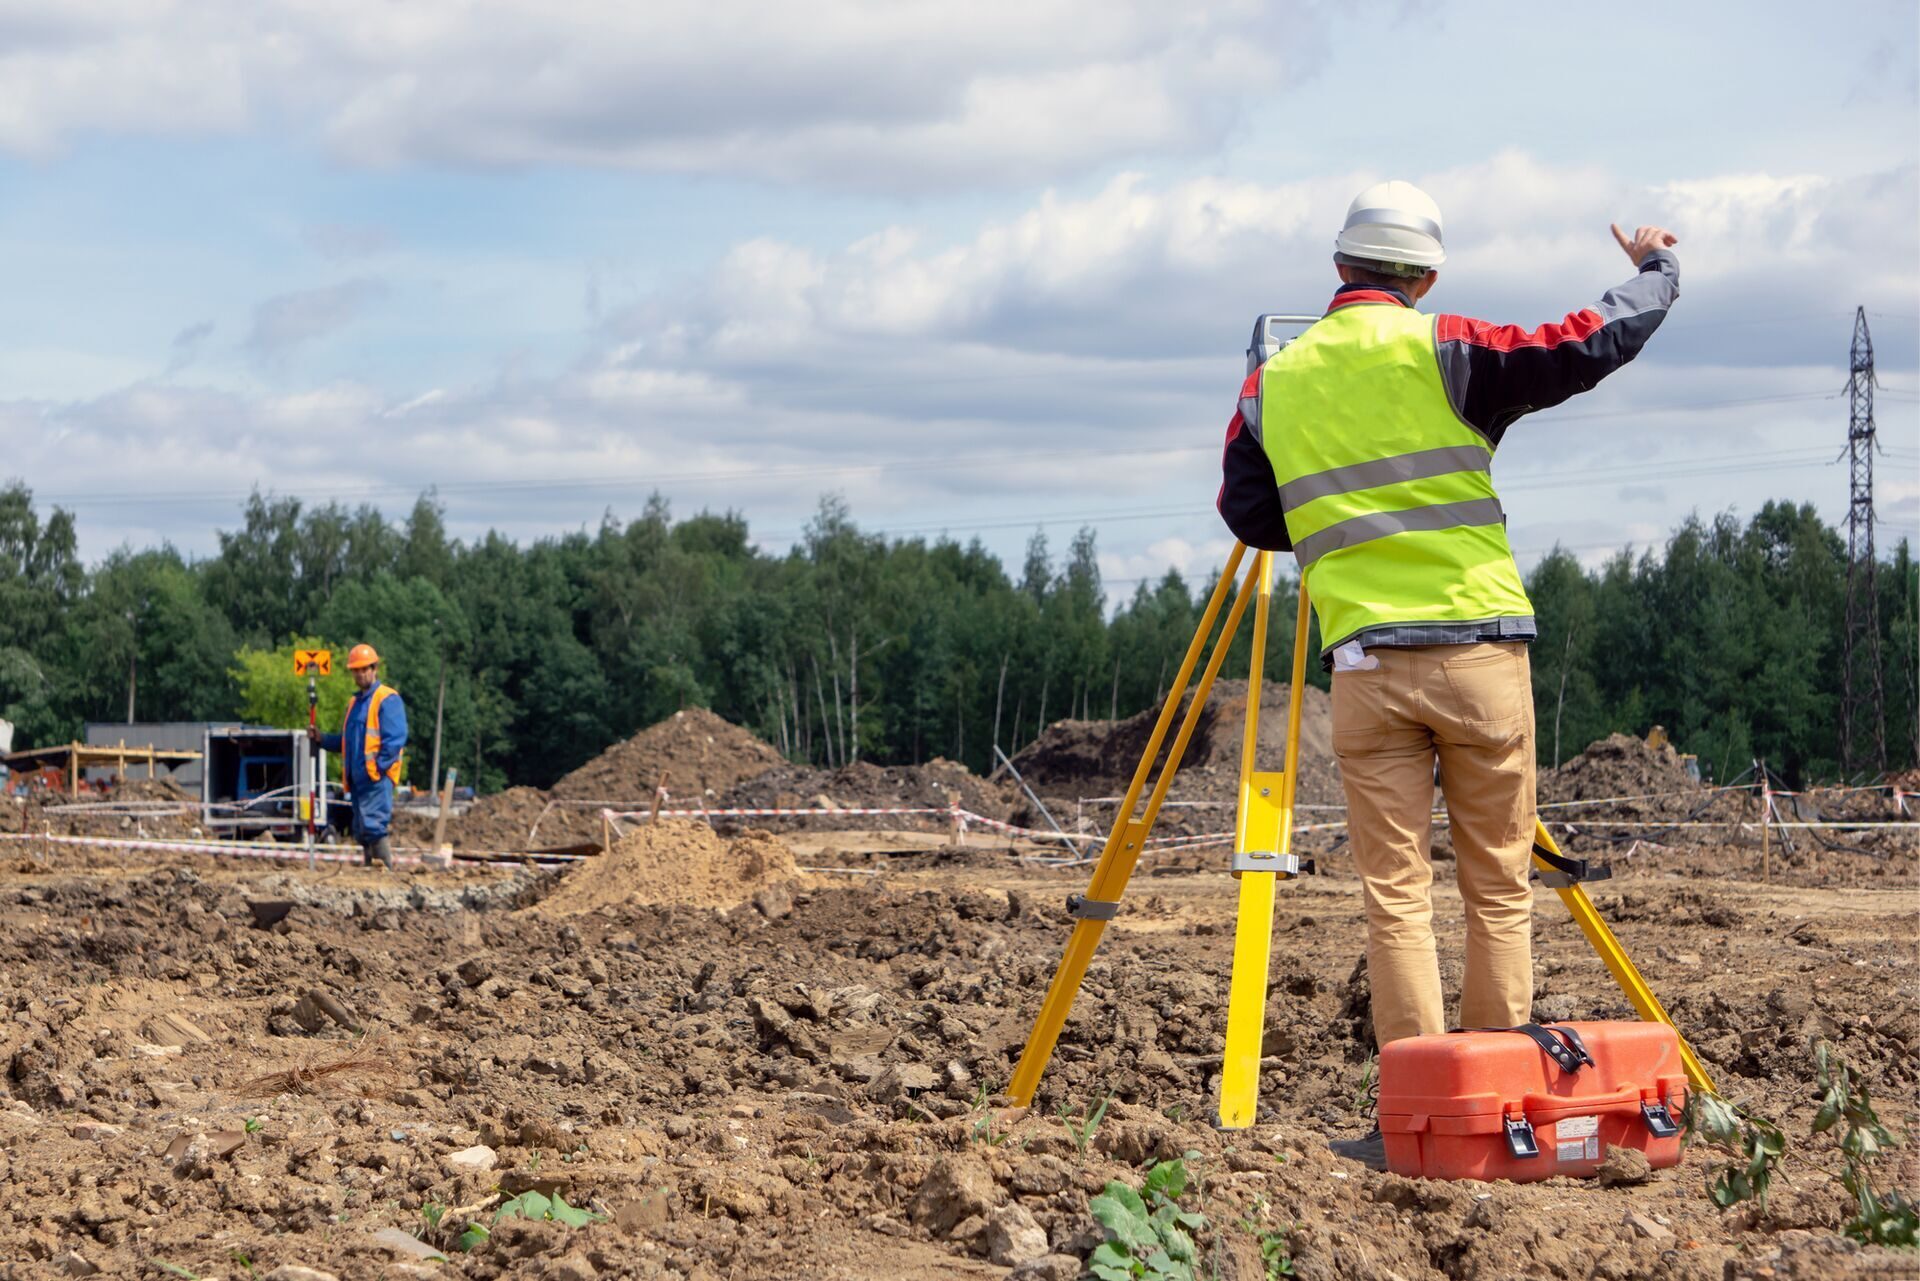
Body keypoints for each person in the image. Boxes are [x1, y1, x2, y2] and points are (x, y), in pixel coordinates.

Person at [1217, 181, 1679, 1169]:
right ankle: (1493, 1112)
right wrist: (1657, 274)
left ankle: (1415, 1122)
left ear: (1339, 268)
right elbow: (1584, 342)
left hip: (1366, 667)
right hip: (1477, 656)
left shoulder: (1273, 383)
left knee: (1395, 895)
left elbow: (1251, 514)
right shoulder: (1451, 347)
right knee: (1497, 890)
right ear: (1426, 276)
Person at [312, 643, 408, 868]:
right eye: (356, 670)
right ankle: (371, 872)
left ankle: (385, 871)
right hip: (357, 780)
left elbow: (395, 739)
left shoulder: (387, 698)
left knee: (374, 826)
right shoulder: (354, 703)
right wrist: (322, 739)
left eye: (365, 668)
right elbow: (347, 742)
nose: (360, 673)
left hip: (375, 778)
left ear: (374, 669)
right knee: (362, 830)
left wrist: (377, 768)